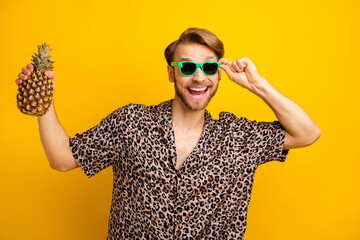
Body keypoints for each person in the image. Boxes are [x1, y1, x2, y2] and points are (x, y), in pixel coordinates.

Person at [15, 28, 321, 239]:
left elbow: (307, 133)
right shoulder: (131, 122)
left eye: (209, 68)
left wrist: (257, 85)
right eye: (187, 67)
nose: (199, 76)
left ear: (219, 74)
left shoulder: (238, 137)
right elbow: (62, 158)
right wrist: (44, 103)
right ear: (171, 72)